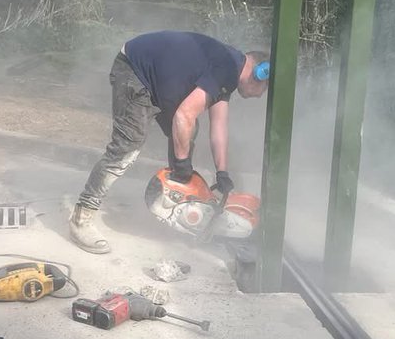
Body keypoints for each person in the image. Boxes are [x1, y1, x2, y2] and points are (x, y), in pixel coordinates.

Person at [69, 30, 270, 253]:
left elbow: (219, 128)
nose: (261, 95)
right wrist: (182, 164)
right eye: (265, 88)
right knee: (128, 146)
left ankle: (173, 206)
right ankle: (82, 217)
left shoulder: (229, 69)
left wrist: (222, 173)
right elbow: (183, 115)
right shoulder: (227, 68)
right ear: (261, 73)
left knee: (189, 132)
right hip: (135, 70)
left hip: (155, 79)